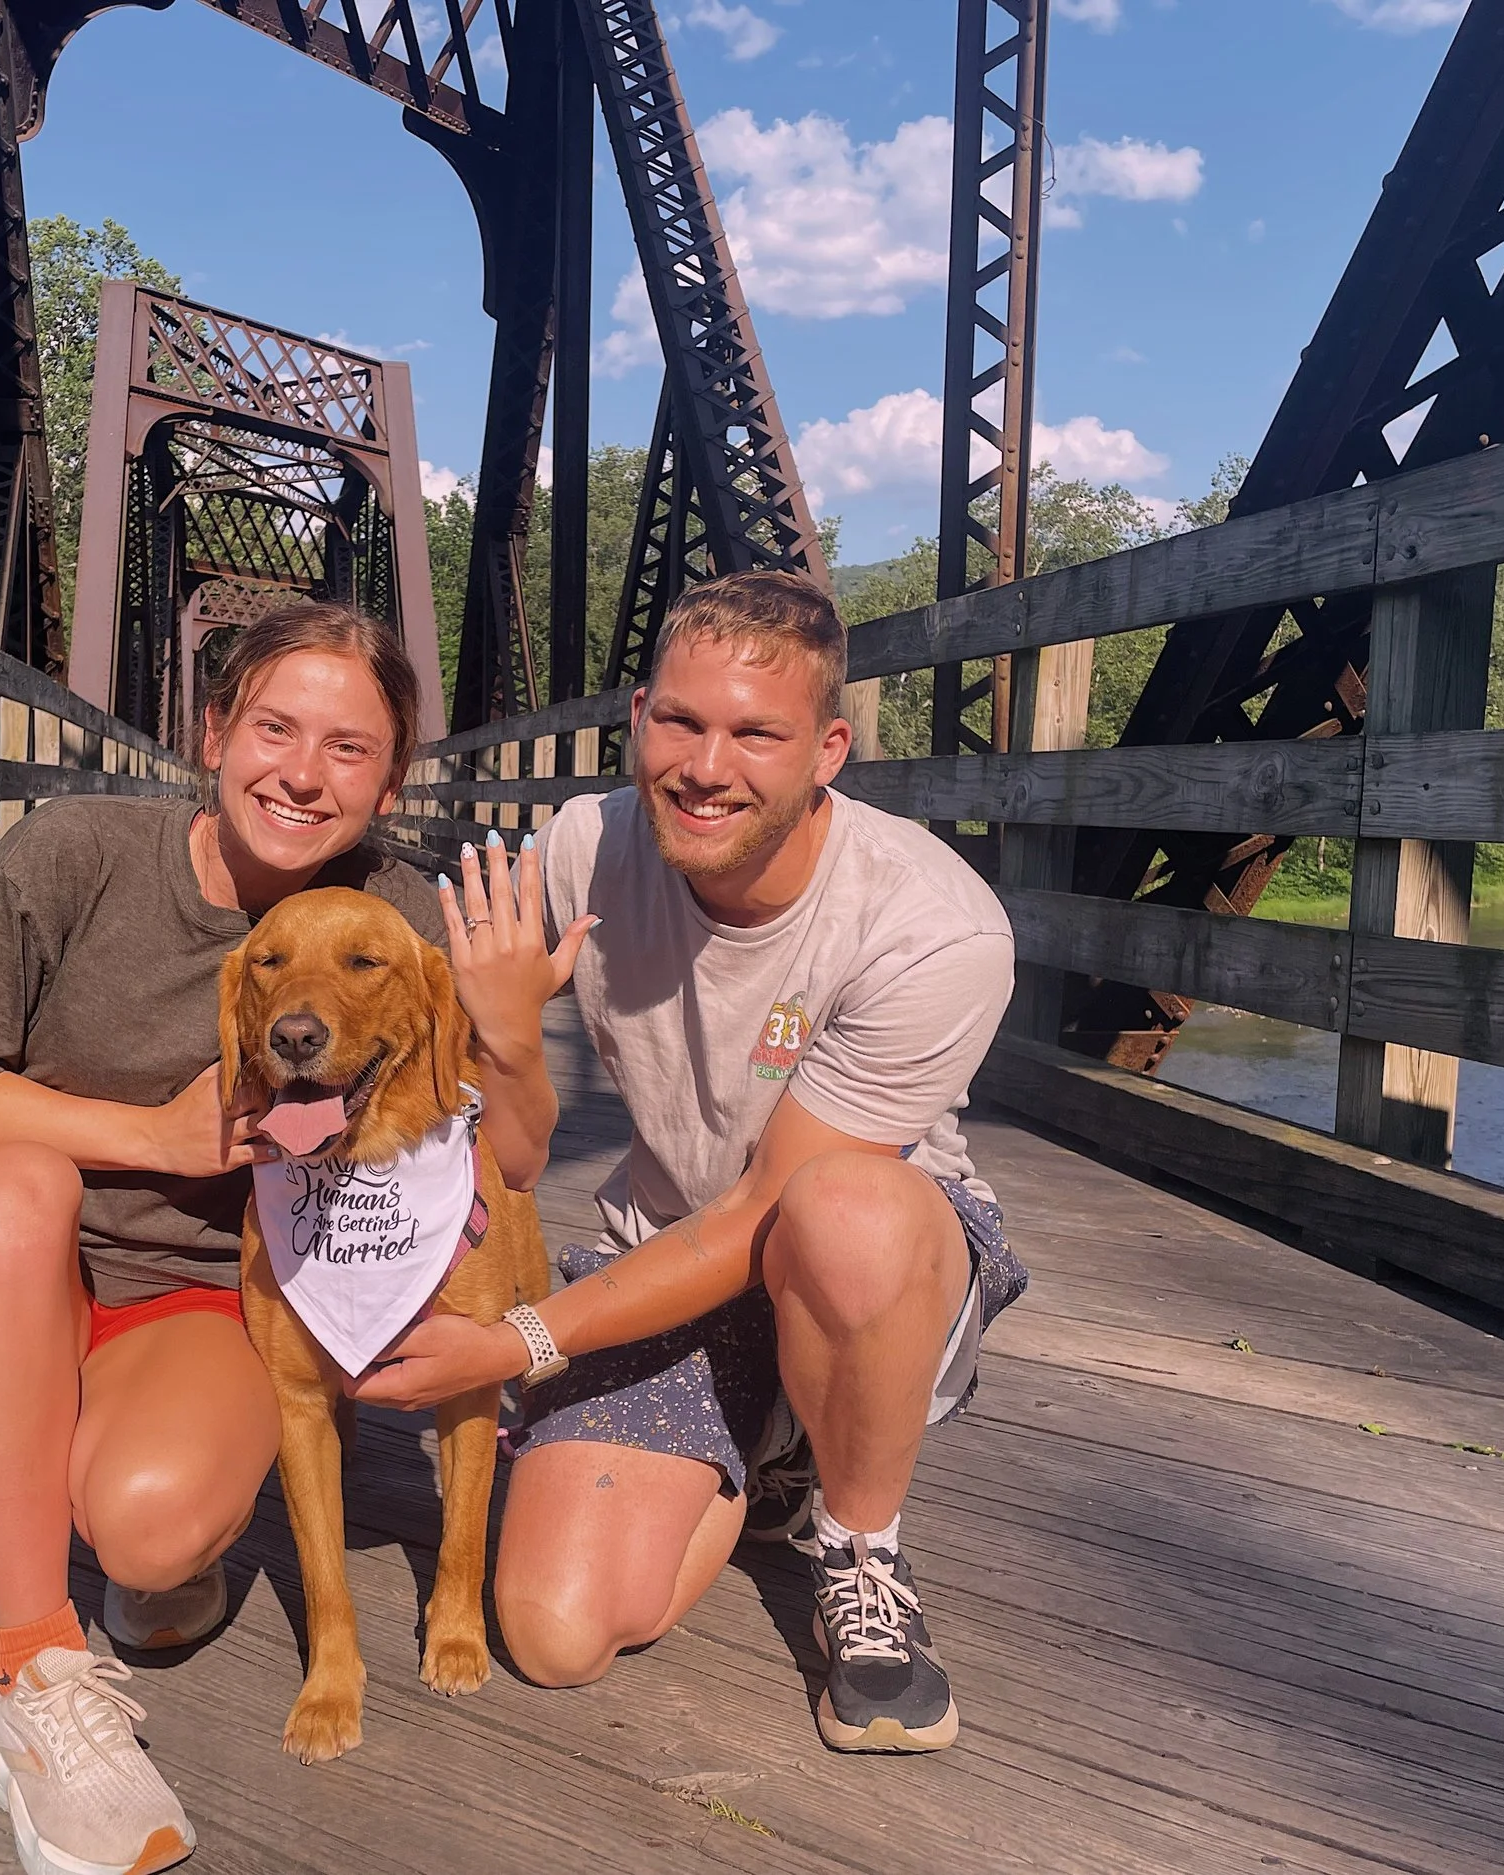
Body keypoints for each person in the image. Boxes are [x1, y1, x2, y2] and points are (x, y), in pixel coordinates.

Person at [0, 600, 589, 1875]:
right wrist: (156, 1136)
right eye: (273, 728)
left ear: (391, 775)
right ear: (215, 731)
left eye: (350, 749)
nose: (303, 774)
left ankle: (123, 1497)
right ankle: (34, 1676)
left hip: (196, 1296)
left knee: (148, 1531)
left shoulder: (401, 912)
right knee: (13, 1187)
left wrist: (516, 1034)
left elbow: (512, 1151)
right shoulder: (76, 853)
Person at [352, 570, 1023, 1754]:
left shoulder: (932, 923)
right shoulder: (582, 849)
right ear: (637, 717)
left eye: (755, 734)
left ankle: (858, 1545)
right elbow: (506, 1144)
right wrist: (505, 1034)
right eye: (681, 720)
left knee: (842, 1212)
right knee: (556, 1636)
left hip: (863, 1255)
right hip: (666, 1250)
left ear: (827, 750)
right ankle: (763, 1435)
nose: (706, 766)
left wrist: (522, 1340)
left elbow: (769, 1208)